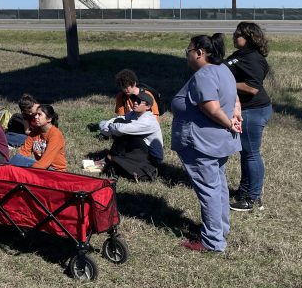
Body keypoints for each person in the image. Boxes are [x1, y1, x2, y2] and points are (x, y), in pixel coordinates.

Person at [171, 33, 241, 253]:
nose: (188, 55)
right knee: (218, 184)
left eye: (188, 51)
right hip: (216, 142)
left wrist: (229, 123)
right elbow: (235, 97)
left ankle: (212, 241)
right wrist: (236, 114)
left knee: (208, 189)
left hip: (201, 142)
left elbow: (210, 108)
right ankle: (220, 228)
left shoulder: (204, 75)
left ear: (200, 53)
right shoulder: (224, 70)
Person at [226, 22, 272, 212]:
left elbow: (253, 87)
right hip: (246, 109)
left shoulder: (253, 58)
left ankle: (253, 199)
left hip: (254, 110)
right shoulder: (239, 56)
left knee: (251, 153)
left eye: (238, 34)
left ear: (249, 37)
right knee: (246, 152)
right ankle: (244, 191)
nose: (234, 36)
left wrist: (228, 82)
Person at [96, 90, 164, 180]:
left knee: (127, 133)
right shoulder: (134, 113)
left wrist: (110, 128)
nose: (135, 103)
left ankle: (110, 159)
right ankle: (112, 160)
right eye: (134, 100)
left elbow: (121, 129)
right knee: (121, 124)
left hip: (151, 159)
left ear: (147, 106)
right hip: (139, 151)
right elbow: (118, 120)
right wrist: (109, 125)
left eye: (139, 101)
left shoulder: (149, 121)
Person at [9, 105, 67, 171]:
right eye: (36, 114)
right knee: (17, 158)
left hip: (55, 171)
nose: (36, 117)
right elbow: (23, 153)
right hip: (40, 167)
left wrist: (28, 171)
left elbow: (45, 162)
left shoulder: (55, 134)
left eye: (39, 115)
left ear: (49, 119)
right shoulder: (34, 132)